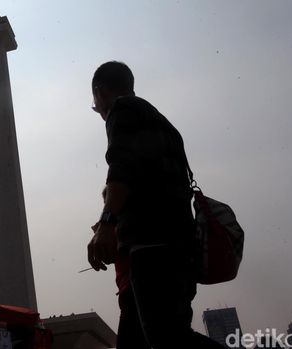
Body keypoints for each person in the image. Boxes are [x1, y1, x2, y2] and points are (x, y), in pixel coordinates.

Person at [87, 61, 225, 348]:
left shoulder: (121, 110)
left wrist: (107, 223)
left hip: (153, 248)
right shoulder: (164, 125)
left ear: (100, 92)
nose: (97, 111)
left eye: (95, 103)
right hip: (179, 245)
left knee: (169, 339)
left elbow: (121, 169)